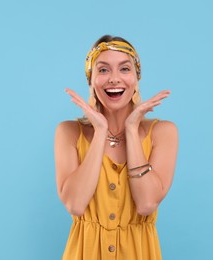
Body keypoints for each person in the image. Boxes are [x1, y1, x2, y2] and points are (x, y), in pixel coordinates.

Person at [54, 35, 179, 259]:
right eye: (102, 70)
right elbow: (75, 204)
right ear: (90, 79)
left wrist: (131, 129)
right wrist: (100, 131)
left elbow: (146, 204)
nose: (114, 79)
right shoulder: (69, 132)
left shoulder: (163, 133)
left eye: (124, 69)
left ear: (136, 77)